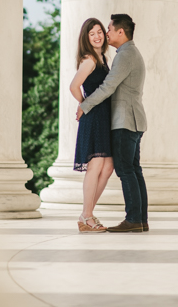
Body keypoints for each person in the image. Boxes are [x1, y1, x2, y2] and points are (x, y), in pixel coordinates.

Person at [77, 14, 147, 233]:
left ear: (120, 32)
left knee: (126, 170)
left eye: (107, 29)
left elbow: (108, 87)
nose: (105, 34)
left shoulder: (125, 55)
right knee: (133, 170)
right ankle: (140, 219)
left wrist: (84, 105)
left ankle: (134, 219)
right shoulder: (126, 54)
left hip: (124, 120)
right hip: (131, 119)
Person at [69, 18, 115, 232]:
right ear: (86, 39)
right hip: (94, 117)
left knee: (107, 167)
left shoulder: (102, 57)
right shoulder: (89, 60)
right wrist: (84, 104)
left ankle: (86, 214)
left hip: (103, 116)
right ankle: (87, 216)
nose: (97, 36)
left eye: (99, 32)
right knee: (96, 166)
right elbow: (74, 86)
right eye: (92, 34)